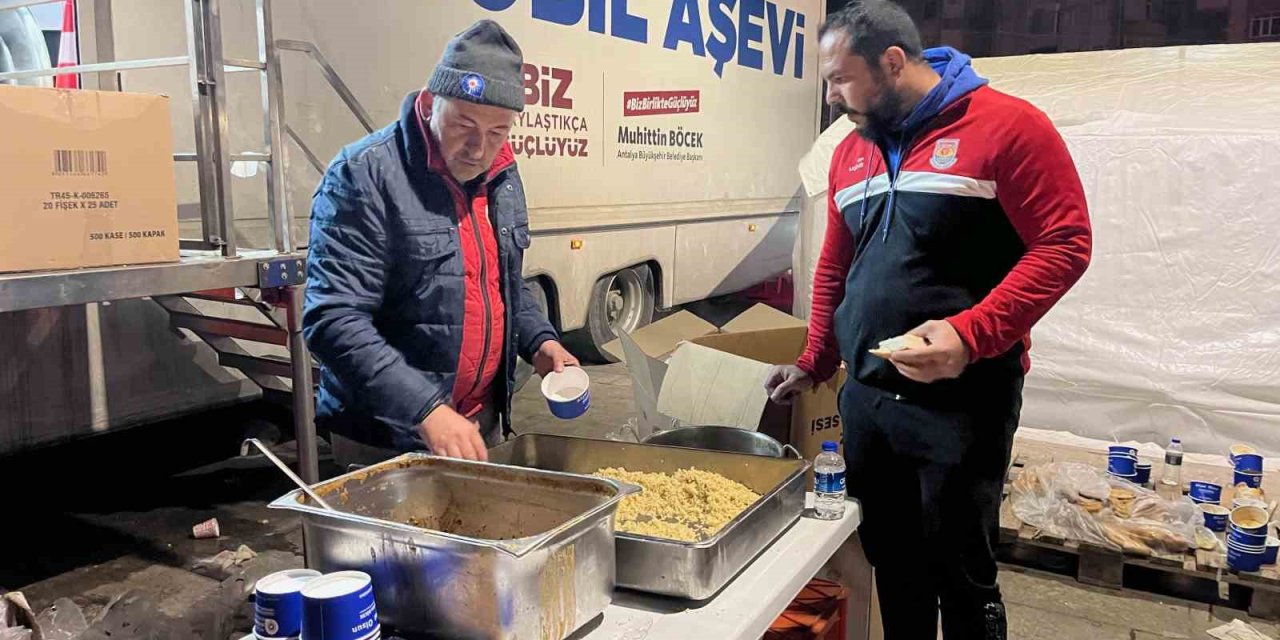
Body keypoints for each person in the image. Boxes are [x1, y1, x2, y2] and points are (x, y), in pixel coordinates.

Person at [765, 2, 1092, 638]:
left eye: (839, 78)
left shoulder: (1008, 127)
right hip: (868, 401)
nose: (832, 98)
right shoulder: (851, 153)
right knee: (895, 562)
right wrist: (816, 360)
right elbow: (837, 265)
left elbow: (1065, 243)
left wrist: (971, 335)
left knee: (960, 567)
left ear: (892, 63)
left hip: (962, 403)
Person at [303, 19, 578, 468]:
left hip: (474, 424)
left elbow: (501, 284)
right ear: (430, 103)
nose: (478, 148)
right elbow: (332, 319)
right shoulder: (364, 175)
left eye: (498, 131)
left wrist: (542, 342)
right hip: (388, 434)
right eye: (464, 124)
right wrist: (425, 409)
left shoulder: (502, 176)